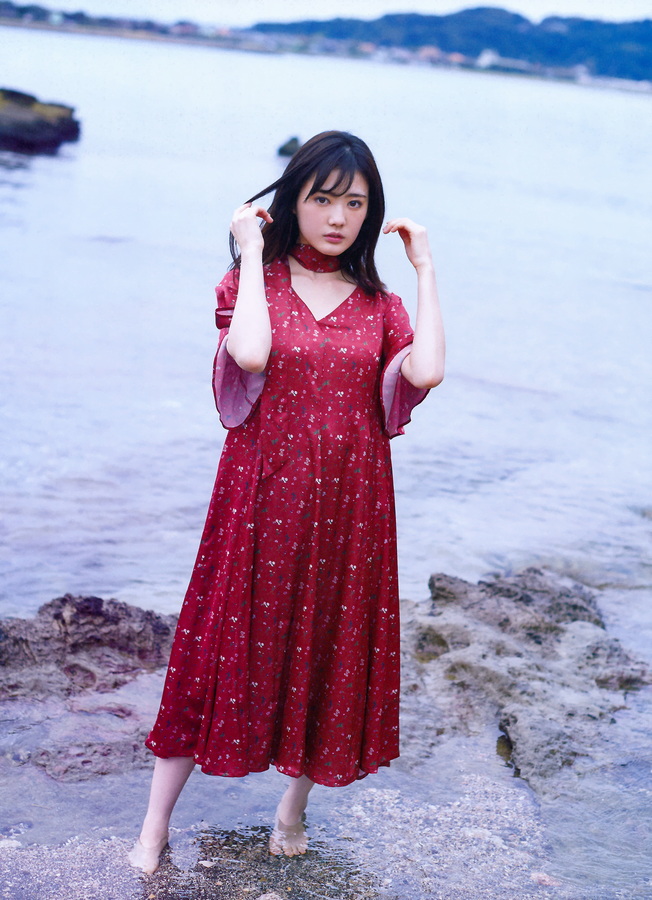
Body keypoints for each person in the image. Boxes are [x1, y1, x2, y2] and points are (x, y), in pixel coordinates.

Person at [128, 130, 445, 874]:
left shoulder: (381, 305)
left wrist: (425, 268)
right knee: (215, 646)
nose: (338, 217)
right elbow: (249, 355)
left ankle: (292, 809)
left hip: (353, 505)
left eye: (355, 203)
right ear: (294, 200)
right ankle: (154, 826)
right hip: (258, 494)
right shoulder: (254, 285)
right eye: (323, 198)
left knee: (330, 646)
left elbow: (426, 370)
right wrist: (249, 250)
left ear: (372, 214)